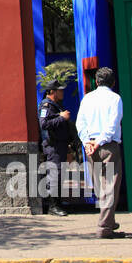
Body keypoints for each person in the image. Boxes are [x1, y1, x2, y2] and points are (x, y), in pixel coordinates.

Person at [76, 67, 126, 238]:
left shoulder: (87, 98)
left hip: (90, 146)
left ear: (96, 82)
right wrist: (99, 142)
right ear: (113, 82)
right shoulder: (115, 98)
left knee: (99, 186)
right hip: (107, 146)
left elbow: (80, 123)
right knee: (110, 186)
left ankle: (109, 221)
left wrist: (87, 142)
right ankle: (104, 226)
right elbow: (112, 125)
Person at [38, 83, 75, 216]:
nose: (62, 93)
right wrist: (61, 117)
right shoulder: (46, 105)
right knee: (55, 175)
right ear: (52, 91)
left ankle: (58, 202)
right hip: (53, 146)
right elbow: (44, 124)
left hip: (60, 145)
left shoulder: (56, 105)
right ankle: (53, 206)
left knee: (59, 175)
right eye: (60, 91)